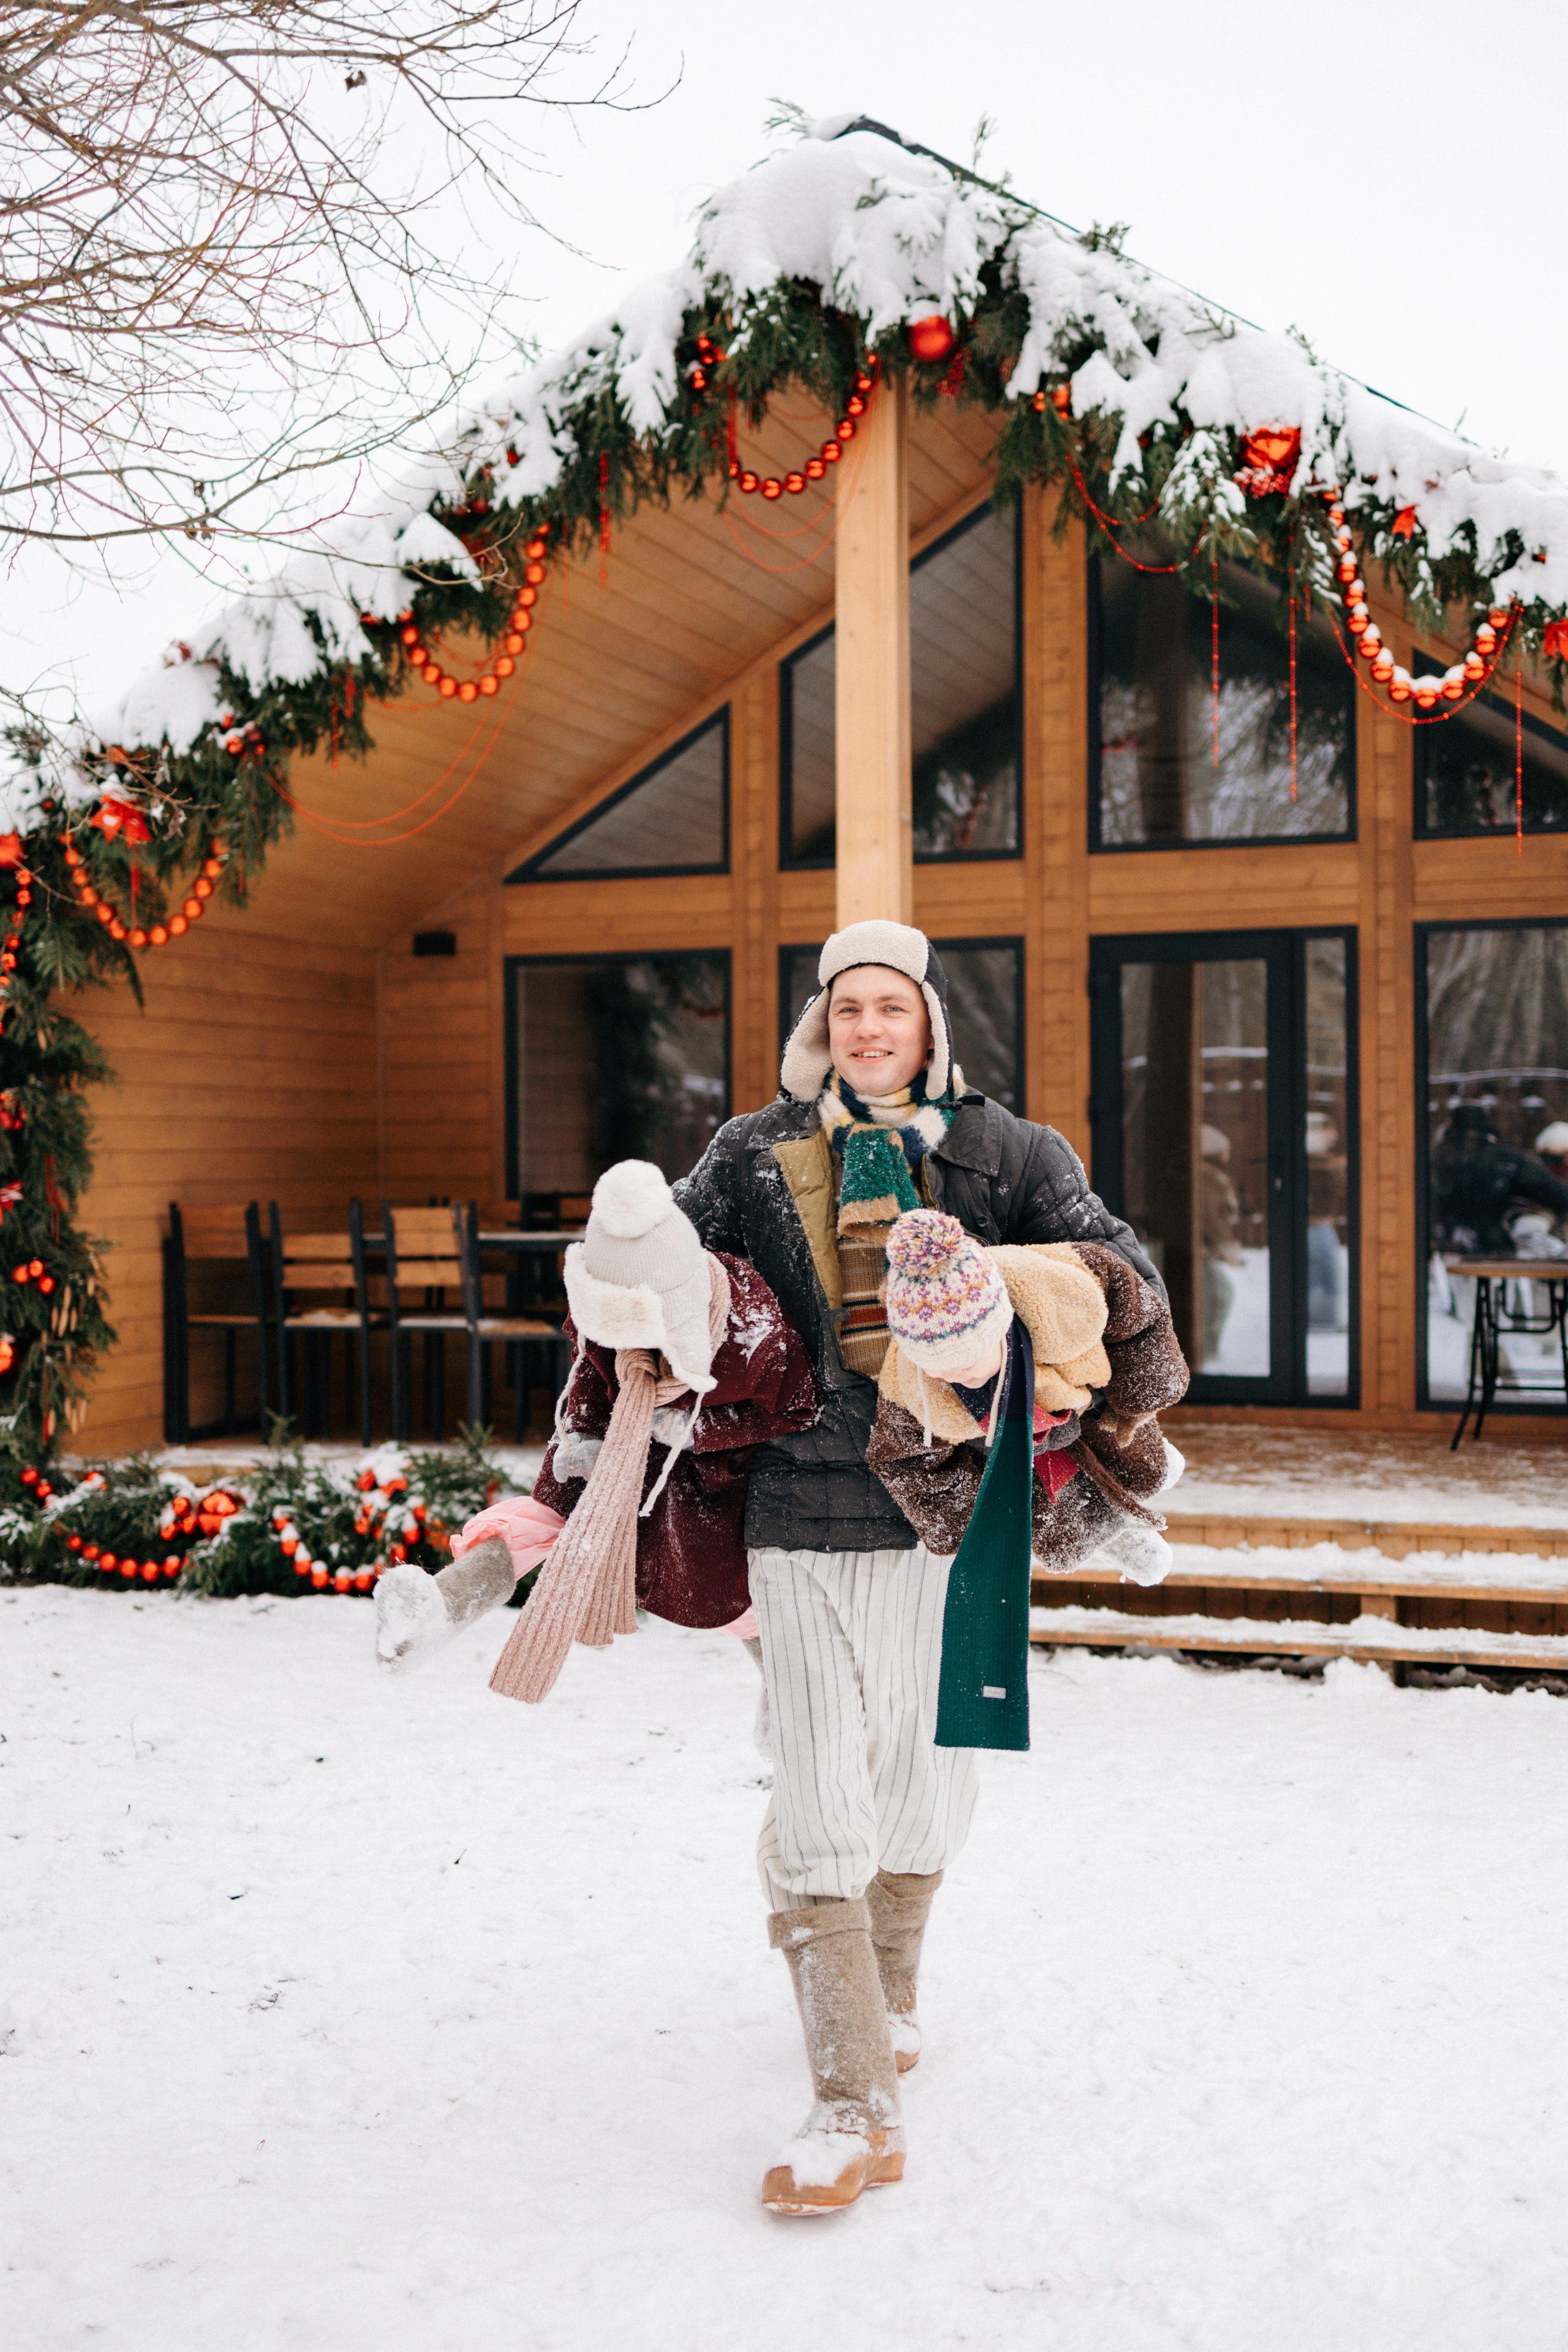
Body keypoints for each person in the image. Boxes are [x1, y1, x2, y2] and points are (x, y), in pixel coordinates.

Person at [673, 918, 1170, 2216]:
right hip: (792, 1508)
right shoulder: (747, 1151)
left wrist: (1005, 1290)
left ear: (929, 1024)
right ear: (821, 1027)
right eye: (847, 1011)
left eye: (890, 1008)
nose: (868, 1030)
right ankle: (852, 2102)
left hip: (950, 1520)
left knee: (924, 1785)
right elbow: (665, 1281)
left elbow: (1122, 1279)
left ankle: (887, 1998)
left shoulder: (1009, 1151)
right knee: (815, 1794)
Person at [374, 1159, 816, 1690]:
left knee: (732, 1599)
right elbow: (591, 1362)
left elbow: (797, 1406)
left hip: (707, 1467)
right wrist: (582, 1433)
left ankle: (789, 1695)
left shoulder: (752, 1329)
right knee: (542, 1519)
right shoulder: (608, 1304)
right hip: (619, 1433)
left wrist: (695, 1431)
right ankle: (439, 1611)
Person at [1430, 1103, 1568, 1256]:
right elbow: (1559, 1196)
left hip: (1429, 1259)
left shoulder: (1426, 1162)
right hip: (1492, 1258)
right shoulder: (1507, 1161)